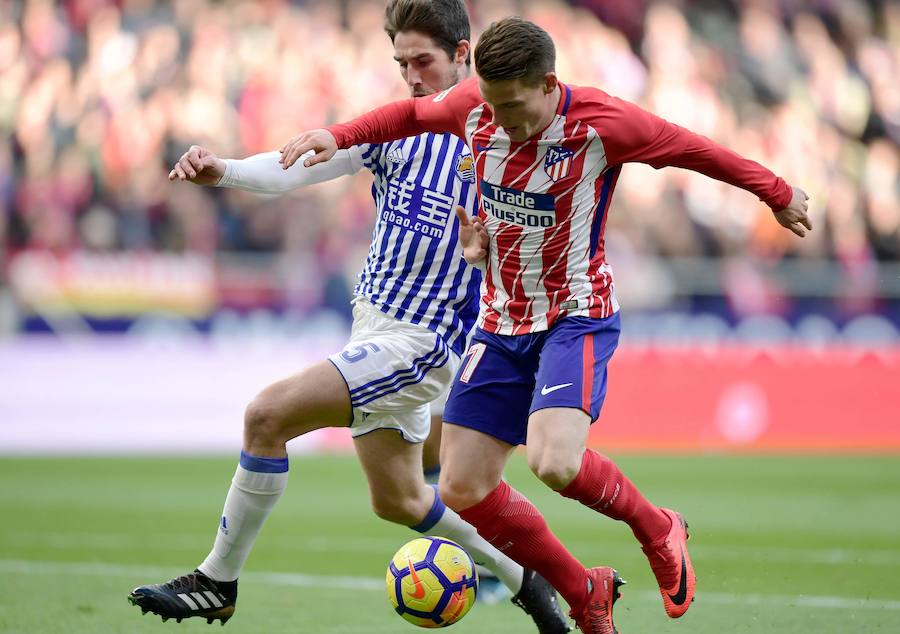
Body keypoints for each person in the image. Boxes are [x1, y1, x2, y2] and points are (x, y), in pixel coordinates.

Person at [279, 15, 812, 634]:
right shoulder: (475, 104)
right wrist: (336, 136)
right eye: (490, 104)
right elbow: (405, 117)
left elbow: (695, 148)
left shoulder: (603, 123)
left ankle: (657, 527)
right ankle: (584, 590)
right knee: (462, 486)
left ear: (549, 84)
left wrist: (774, 191)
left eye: (512, 106)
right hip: (500, 320)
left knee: (554, 463)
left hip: (574, 316)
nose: (499, 119)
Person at [127, 4, 570, 632]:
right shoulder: (393, 129)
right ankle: (528, 579)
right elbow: (295, 168)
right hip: (374, 330)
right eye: (402, 63)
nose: (412, 77)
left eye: (424, 62)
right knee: (401, 499)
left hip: (426, 340)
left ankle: (216, 580)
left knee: (266, 416)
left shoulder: (509, 139)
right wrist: (223, 170)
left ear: (463, 54)